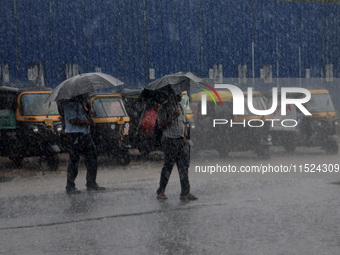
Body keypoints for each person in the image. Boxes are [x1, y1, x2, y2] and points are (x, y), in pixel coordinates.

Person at [156, 92, 197, 200]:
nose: (181, 97)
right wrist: (172, 117)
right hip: (170, 140)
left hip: (181, 141)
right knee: (168, 167)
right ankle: (161, 191)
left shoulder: (180, 106)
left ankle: (185, 192)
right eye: (179, 95)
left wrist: (184, 136)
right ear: (173, 95)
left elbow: (186, 123)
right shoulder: (164, 108)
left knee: (183, 167)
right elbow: (160, 125)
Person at [63, 94, 105, 194]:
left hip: (85, 134)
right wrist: (87, 122)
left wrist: (89, 111)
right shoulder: (70, 104)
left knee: (92, 158)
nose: (86, 94)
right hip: (75, 135)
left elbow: (88, 115)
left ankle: (91, 183)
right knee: (74, 160)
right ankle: (70, 186)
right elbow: (72, 120)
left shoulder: (83, 103)